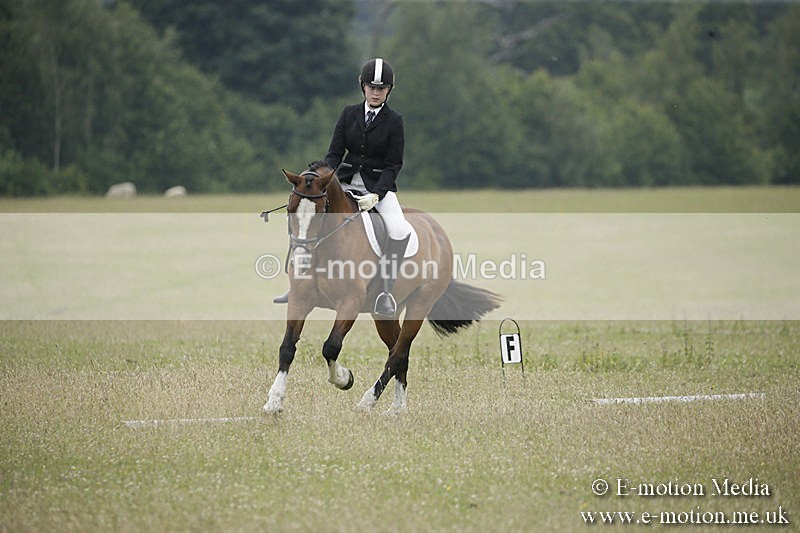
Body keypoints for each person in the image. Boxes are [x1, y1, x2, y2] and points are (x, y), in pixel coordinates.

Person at [274, 58, 413, 317]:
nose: (375, 92)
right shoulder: (349, 113)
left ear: (389, 90)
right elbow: (335, 154)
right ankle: (297, 286)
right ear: (363, 87)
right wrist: (320, 177)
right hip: (344, 182)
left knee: (399, 229)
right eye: (371, 87)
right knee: (307, 217)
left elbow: (394, 164)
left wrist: (377, 194)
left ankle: (385, 292)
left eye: (381, 88)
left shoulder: (395, 121)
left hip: (377, 188)